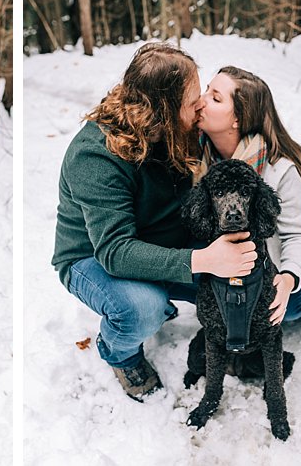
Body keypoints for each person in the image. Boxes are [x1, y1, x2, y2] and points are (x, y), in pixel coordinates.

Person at [52, 43, 256, 402]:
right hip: (94, 258)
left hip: (165, 243)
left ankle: (224, 341)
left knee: (243, 282)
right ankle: (120, 353)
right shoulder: (95, 156)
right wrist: (203, 260)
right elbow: (115, 251)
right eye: (194, 99)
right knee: (141, 308)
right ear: (163, 108)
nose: (201, 106)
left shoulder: (178, 128)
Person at [196, 66, 301, 334]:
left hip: (299, 271)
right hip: (251, 261)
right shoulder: (203, 156)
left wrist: (288, 279)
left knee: (272, 306)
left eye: (215, 98)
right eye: (207, 89)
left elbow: (297, 235)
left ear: (237, 120)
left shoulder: (280, 169)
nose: (202, 99)